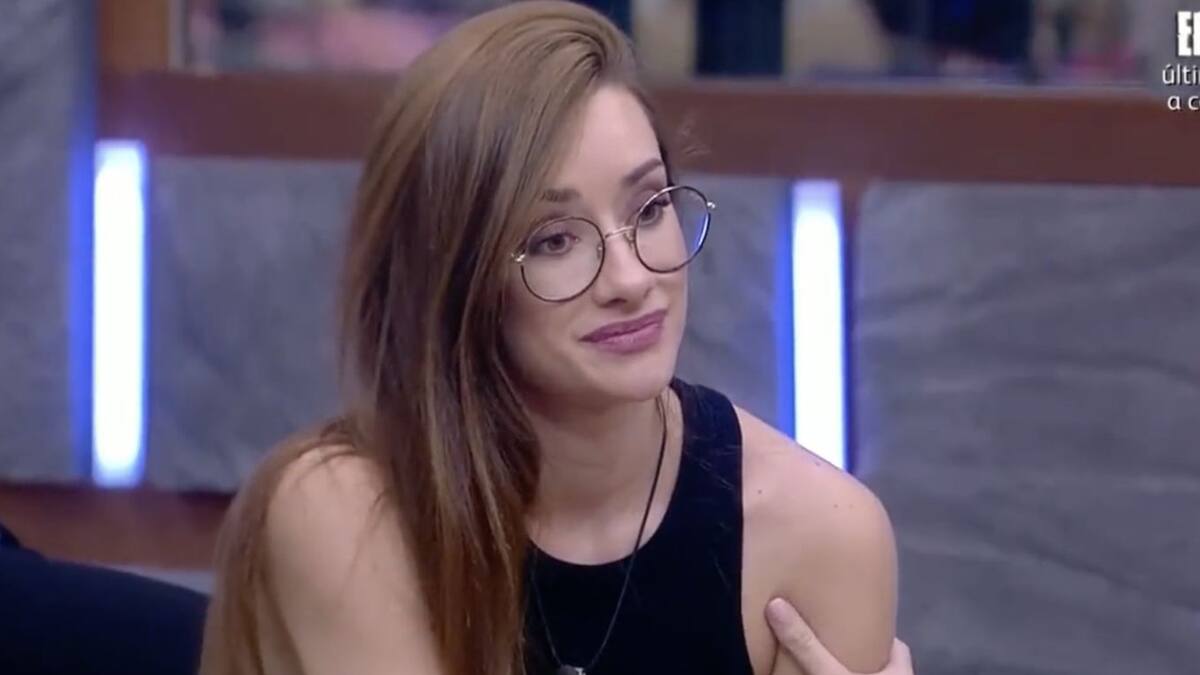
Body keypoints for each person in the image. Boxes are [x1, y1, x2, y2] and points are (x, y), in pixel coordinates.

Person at [199, 2, 904, 674]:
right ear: (456, 276)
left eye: (649, 207)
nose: (631, 278)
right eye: (555, 240)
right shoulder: (342, 510)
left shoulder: (823, 535)